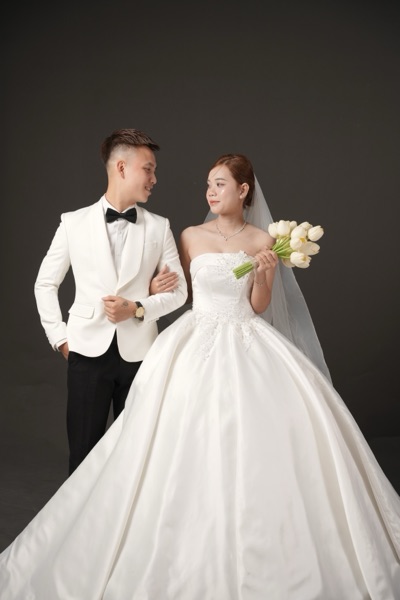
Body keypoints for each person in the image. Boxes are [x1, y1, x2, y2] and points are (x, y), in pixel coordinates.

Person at [1, 154, 400, 599]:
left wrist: (265, 274)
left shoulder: (262, 239)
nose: (210, 192)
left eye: (220, 184)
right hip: (194, 341)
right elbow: (180, 293)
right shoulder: (189, 235)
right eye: (208, 184)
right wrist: (153, 290)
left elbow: (258, 306)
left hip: (246, 340)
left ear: (243, 190)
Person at [34, 128, 188, 474]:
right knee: (82, 457)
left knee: (135, 460)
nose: (154, 179)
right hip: (86, 353)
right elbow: (45, 283)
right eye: (148, 169)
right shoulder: (73, 223)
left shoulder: (159, 226)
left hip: (141, 356)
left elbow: (179, 292)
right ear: (121, 168)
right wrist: (61, 339)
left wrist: (138, 307)